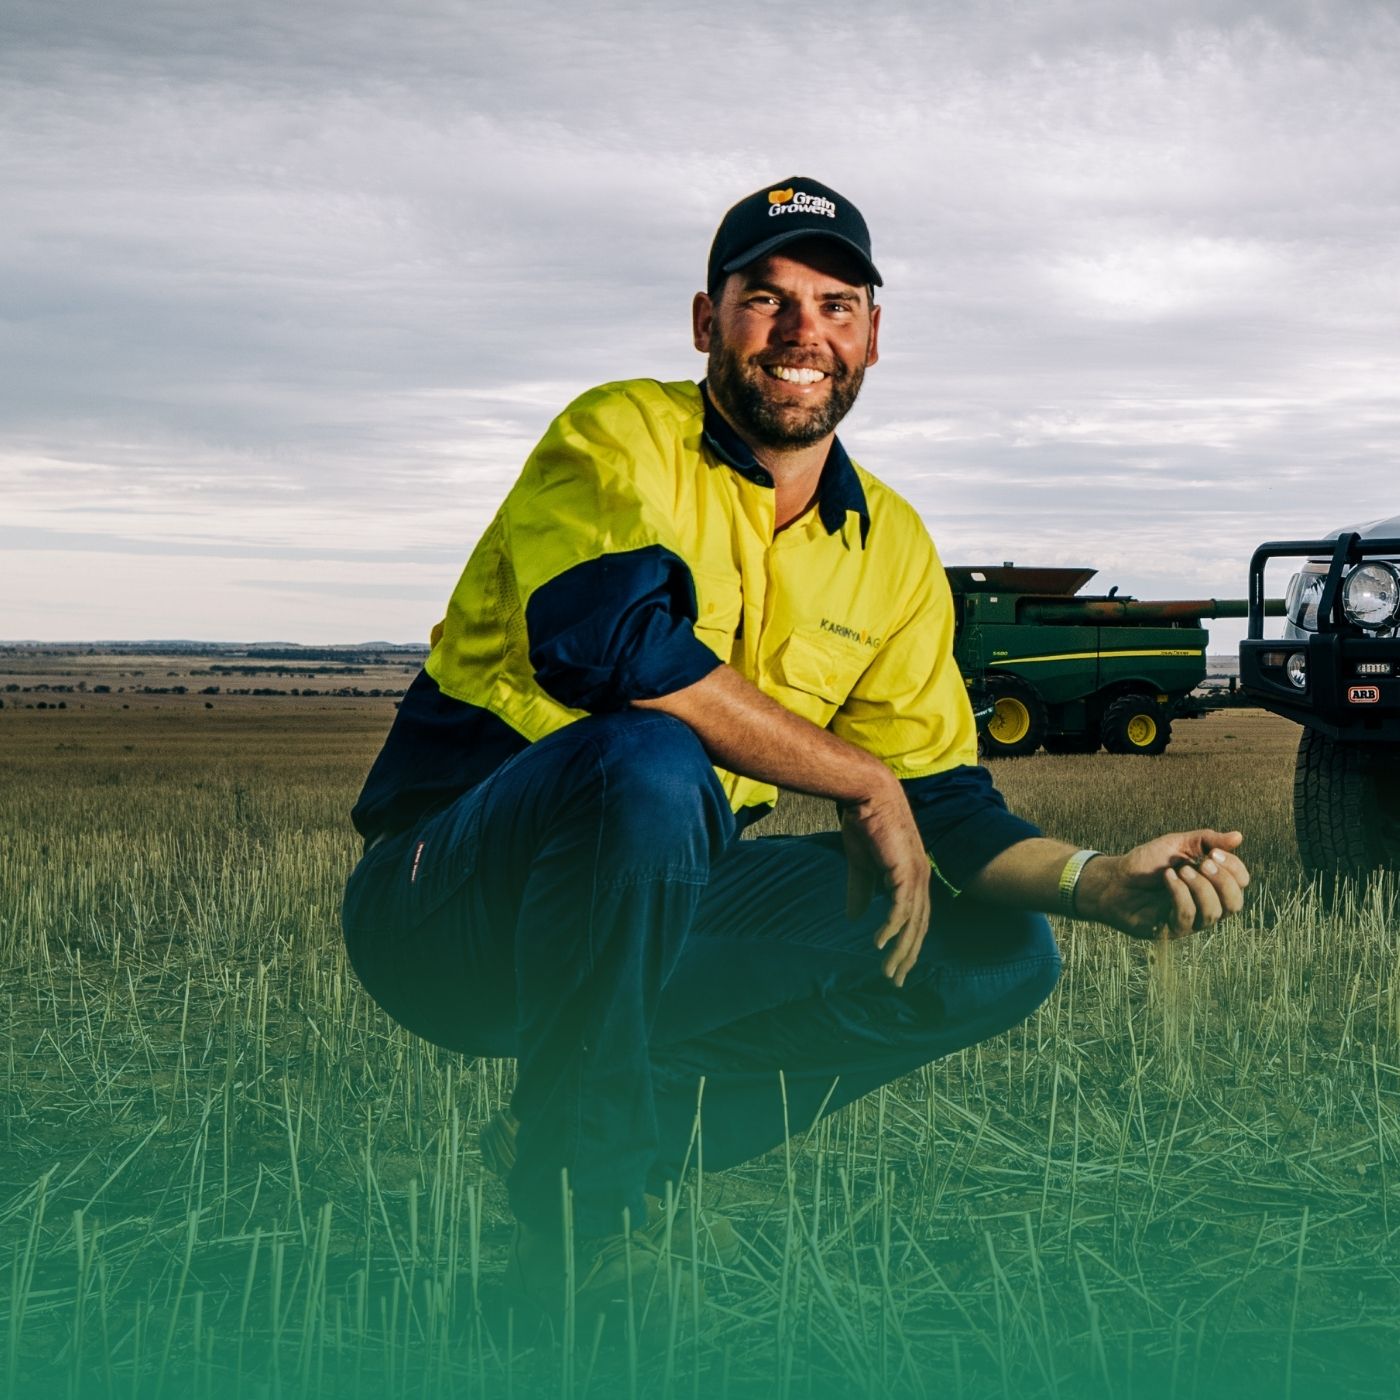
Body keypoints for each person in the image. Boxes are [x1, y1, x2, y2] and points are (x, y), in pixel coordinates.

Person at [340, 176, 1249, 1324]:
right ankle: (590, 1219)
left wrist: (1096, 878)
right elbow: (609, 644)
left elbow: (950, 814)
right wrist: (853, 774)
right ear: (703, 322)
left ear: (871, 333)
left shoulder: (892, 549)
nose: (798, 331)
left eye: (832, 302)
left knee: (998, 948)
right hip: (450, 913)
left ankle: (588, 1118)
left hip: (656, 912)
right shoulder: (615, 435)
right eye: (763, 298)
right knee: (651, 758)